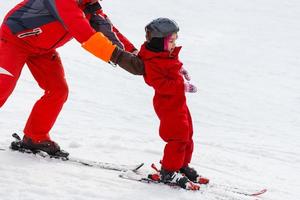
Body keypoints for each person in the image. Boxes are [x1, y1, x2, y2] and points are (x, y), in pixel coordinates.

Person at [0, 0, 144, 156]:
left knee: (58, 91)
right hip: (13, 41)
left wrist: (135, 54)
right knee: (3, 87)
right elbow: (83, 32)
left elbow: (107, 30)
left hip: (42, 50)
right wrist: (119, 58)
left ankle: (35, 138)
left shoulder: (89, 6)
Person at [138, 18, 209, 190]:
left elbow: (170, 66)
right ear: (158, 41)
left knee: (188, 132)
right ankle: (169, 171)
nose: (174, 44)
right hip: (167, 104)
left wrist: (180, 70)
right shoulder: (152, 62)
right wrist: (182, 85)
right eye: (171, 41)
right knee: (177, 137)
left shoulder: (163, 54)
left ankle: (181, 165)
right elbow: (160, 84)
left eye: (175, 40)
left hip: (178, 102)